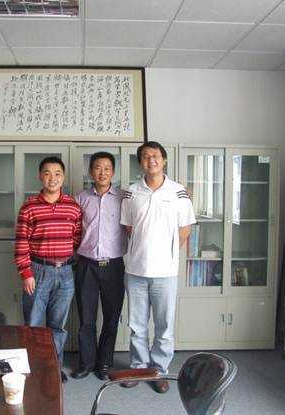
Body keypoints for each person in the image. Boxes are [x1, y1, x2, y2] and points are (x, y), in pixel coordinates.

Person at [120, 141, 196, 394]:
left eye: (155, 155)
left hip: (166, 273)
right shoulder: (131, 192)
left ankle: (159, 371)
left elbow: (185, 229)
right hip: (136, 271)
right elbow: (128, 228)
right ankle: (139, 367)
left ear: (164, 160)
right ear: (140, 162)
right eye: (145, 156)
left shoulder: (178, 192)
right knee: (137, 326)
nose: (150, 159)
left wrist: (166, 252)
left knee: (164, 327)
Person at [14, 156, 82, 384]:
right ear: (40, 176)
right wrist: (26, 273)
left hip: (65, 272)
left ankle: (54, 367)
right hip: (38, 271)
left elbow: (77, 238)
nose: (52, 178)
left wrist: (66, 260)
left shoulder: (73, 206)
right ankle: (33, 367)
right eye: (47, 173)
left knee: (58, 326)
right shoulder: (29, 207)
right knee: (34, 324)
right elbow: (21, 242)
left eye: (57, 173)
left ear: (63, 177)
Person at [71, 152, 127, 381]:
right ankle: (86, 362)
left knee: (112, 317)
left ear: (113, 172)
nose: (102, 173)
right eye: (97, 168)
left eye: (107, 168)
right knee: (86, 318)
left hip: (114, 266)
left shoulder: (124, 198)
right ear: (90, 171)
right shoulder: (79, 198)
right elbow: (71, 230)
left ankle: (104, 363)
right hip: (86, 265)